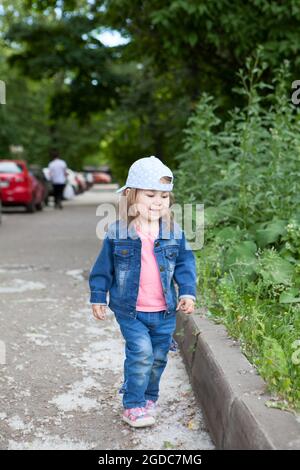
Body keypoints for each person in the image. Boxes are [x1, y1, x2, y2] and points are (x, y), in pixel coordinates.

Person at [89, 156, 196, 428]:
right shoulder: (118, 232)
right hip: (131, 311)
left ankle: (149, 398)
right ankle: (133, 405)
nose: (158, 201)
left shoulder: (174, 233)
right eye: (150, 194)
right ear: (131, 196)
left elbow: (185, 264)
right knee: (141, 355)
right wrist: (99, 296)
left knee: (158, 359)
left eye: (164, 196)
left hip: (164, 312)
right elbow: (103, 269)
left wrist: (187, 292)